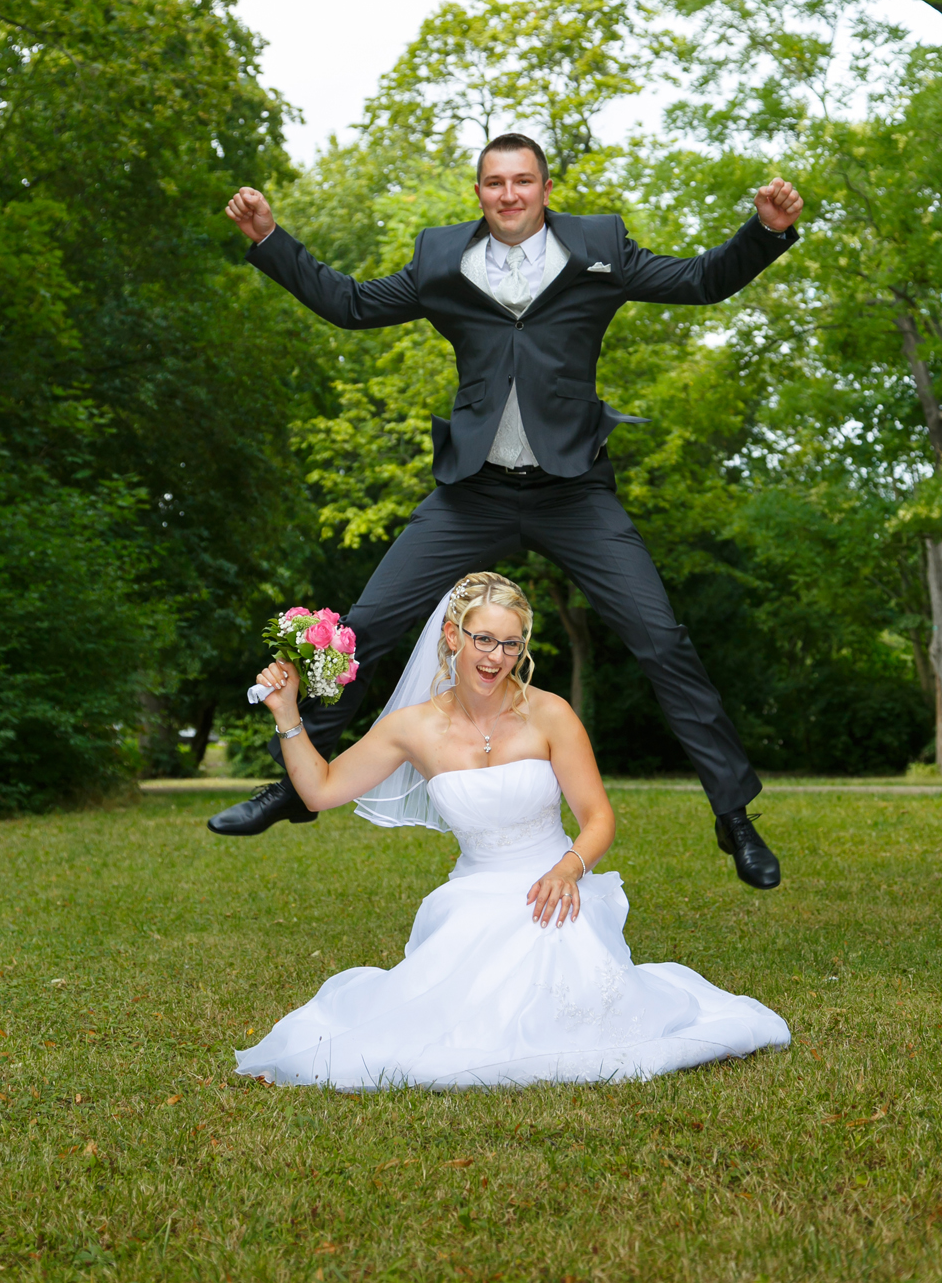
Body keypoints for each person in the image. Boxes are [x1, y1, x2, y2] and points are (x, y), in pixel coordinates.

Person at [212, 133, 804, 890]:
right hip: (475, 491)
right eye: (495, 183)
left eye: (523, 181)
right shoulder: (439, 261)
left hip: (574, 492)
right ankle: (298, 786)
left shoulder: (601, 249)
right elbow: (352, 305)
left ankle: (734, 816)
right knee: (368, 623)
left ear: (546, 189)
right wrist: (269, 240)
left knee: (661, 638)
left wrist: (765, 233)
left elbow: (700, 281)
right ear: (479, 193)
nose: (509, 194)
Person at [234, 572, 789, 1091]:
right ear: (452, 636)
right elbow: (320, 790)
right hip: (472, 896)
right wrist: (287, 715)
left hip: (555, 889)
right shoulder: (412, 728)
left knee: (574, 1011)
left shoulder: (550, 715)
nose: (496, 658)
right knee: (438, 1026)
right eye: (483, 640)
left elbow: (598, 818)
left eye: (511, 644)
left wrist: (569, 868)